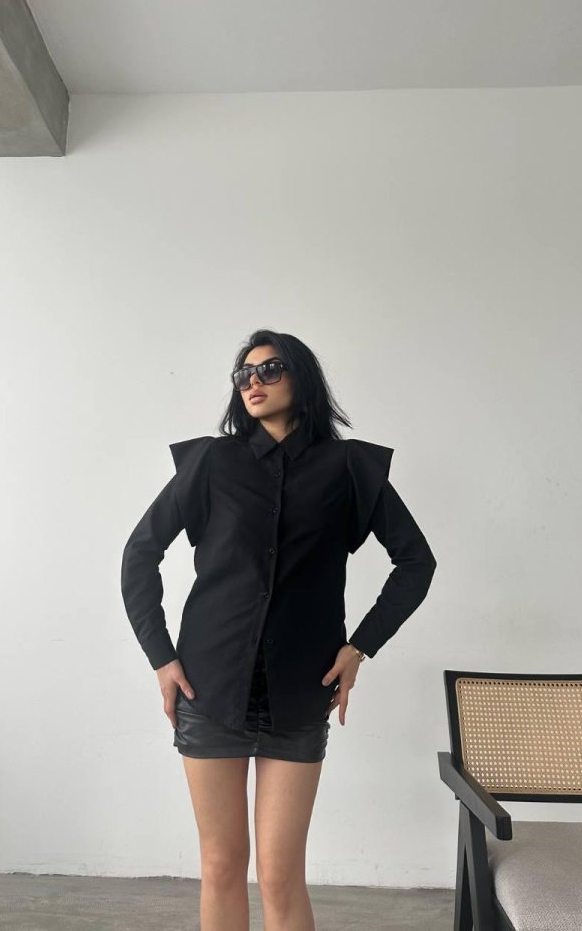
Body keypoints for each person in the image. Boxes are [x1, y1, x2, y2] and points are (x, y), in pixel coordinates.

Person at [120, 328, 437, 931]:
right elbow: (139, 555)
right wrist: (162, 657)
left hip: (301, 691)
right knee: (220, 865)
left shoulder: (348, 467)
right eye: (243, 375)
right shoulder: (211, 462)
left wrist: (360, 647)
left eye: (269, 370)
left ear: (302, 378)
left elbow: (416, 563)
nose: (253, 383)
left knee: (280, 873)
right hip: (208, 686)